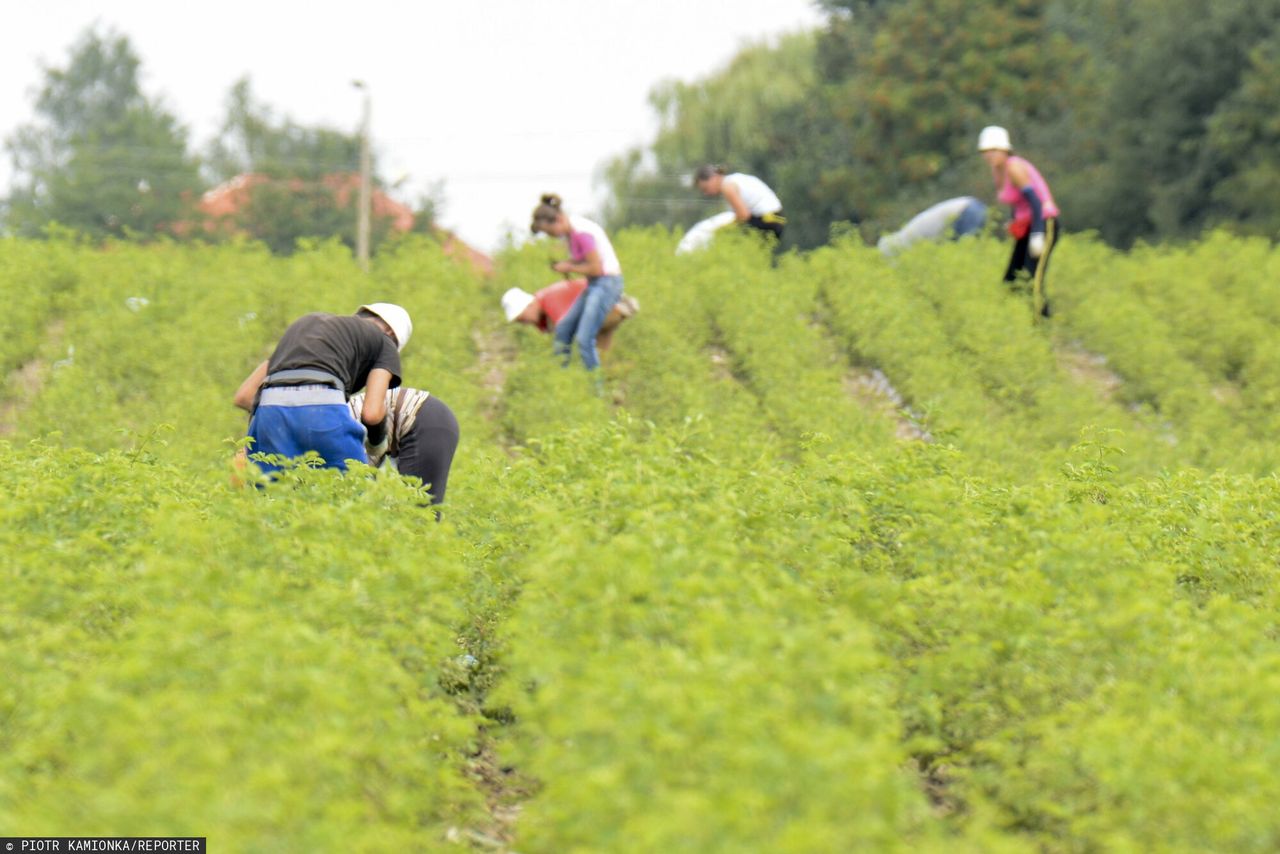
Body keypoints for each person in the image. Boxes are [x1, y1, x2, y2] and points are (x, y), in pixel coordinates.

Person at [232, 303, 411, 475]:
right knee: (350, 489)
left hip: (268, 415)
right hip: (323, 411)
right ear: (390, 333)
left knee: (271, 497)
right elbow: (372, 413)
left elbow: (244, 396)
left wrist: (284, 418)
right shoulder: (384, 341)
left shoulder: (305, 327)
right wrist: (377, 443)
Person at [529, 194, 624, 372]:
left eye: (550, 231)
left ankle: (596, 389)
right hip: (595, 284)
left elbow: (596, 268)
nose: (551, 236)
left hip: (607, 283)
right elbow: (585, 262)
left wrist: (569, 268)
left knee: (584, 338)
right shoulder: (572, 233)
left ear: (558, 219)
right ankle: (561, 379)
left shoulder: (581, 233)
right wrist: (568, 264)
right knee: (563, 330)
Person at [978, 126, 1060, 317]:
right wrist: (1014, 222)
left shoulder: (1014, 167)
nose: (989, 155)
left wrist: (1038, 234)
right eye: (985, 152)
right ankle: (1017, 325)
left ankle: (1043, 329)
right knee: (1012, 280)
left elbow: (1036, 202)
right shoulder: (998, 171)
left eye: (993, 150)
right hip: (1027, 226)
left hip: (1043, 223)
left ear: (1005, 149)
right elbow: (1018, 203)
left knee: (1033, 279)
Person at [348, 386, 459, 507]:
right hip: (429, 416)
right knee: (414, 510)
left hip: (422, 418)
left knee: (420, 511)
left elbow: (354, 491)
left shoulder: (339, 437)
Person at [501, 280, 639, 354]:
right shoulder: (544, 308)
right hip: (608, 309)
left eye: (521, 318)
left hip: (614, 307)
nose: (524, 323)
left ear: (529, 305)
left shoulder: (549, 300)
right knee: (602, 356)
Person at [693, 165, 786, 239]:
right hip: (777, 218)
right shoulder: (734, 179)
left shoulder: (727, 186)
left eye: (705, 188)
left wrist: (723, 228)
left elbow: (743, 216)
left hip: (767, 220)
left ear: (714, 178)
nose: (706, 193)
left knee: (722, 235)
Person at [877, 196, 988, 256]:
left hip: (965, 212)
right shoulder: (907, 233)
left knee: (968, 258)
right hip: (971, 206)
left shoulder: (907, 243)